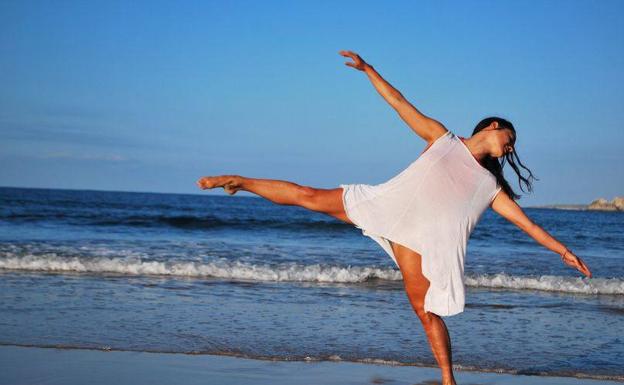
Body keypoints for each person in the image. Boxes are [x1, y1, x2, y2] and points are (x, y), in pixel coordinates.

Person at [196, 50, 592, 385]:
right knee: (308, 196)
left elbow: (528, 225)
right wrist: (369, 70)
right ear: (494, 126)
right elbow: (400, 103)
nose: (510, 149)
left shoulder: (489, 187)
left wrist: (563, 251)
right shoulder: (443, 139)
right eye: (510, 140)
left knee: (425, 311)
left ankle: (448, 380)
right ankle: (239, 181)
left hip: (418, 241)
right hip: (386, 204)